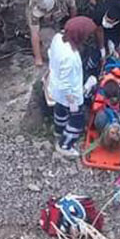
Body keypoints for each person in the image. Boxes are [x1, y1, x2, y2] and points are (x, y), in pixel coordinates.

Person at [48, 16, 96, 158]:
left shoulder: (58, 38)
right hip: (69, 94)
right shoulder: (70, 57)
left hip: (55, 86)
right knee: (77, 118)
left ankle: (58, 131)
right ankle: (65, 144)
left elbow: (50, 54)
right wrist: (76, 98)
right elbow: (66, 86)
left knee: (60, 110)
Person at [27, 0, 77, 67]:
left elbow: (73, 7)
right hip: (44, 23)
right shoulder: (34, 5)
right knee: (50, 50)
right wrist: (38, 58)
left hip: (58, 16)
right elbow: (34, 33)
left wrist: (71, 25)